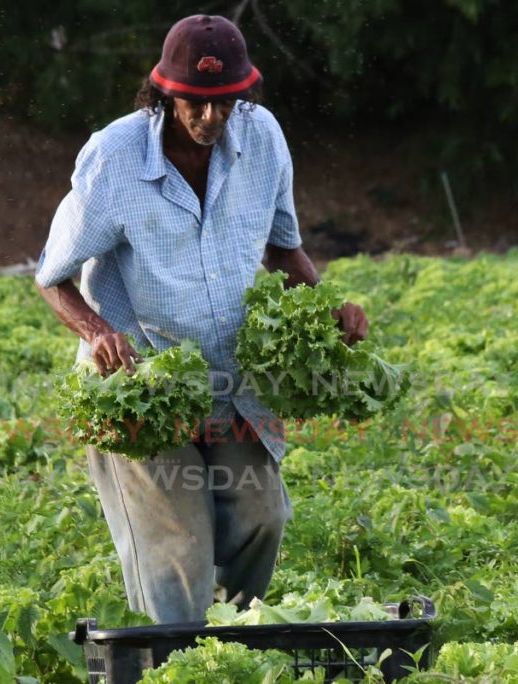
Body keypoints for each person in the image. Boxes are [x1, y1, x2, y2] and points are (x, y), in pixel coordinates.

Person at [34, 14, 368, 624]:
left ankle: (230, 647)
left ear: (244, 94)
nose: (210, 117)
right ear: (164, 92)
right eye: (195, 102)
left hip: (230, 385)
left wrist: (327, 313)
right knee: (179, 545)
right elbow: (51, 275)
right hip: (144, 385)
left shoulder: (263, 138)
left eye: (225, 102)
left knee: (260, 515)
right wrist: (97, 332)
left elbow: (284, 248)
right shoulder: (116, 158)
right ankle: (173, 659)